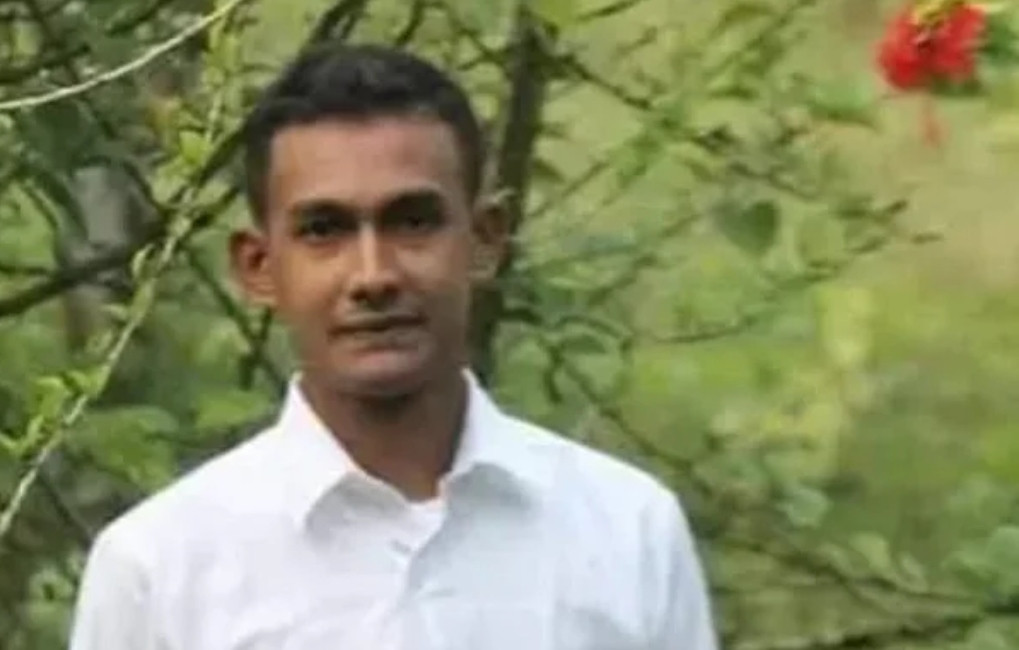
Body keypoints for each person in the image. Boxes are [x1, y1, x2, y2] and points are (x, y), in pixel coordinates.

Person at [67, 42, 718, 650]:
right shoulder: (160, 569)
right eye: (324, 230)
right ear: (259, 267)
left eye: (412, 221)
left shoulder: (626, 531)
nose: (373, 275)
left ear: (485, 240)